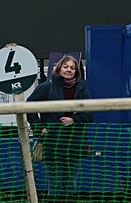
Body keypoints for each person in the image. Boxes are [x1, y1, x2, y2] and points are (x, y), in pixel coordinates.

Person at [27, 55, 93, 203]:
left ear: (76, 71)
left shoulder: (82, 89)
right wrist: (39, 128)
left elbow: (89, 113)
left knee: (71, 184)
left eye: (72, 68)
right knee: (55, 183)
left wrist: (74, 119)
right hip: (53, 142)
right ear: (59, 68)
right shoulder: (47, 87)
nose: (68, 70)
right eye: (66, 67)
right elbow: (29, 106)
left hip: (75, 143)